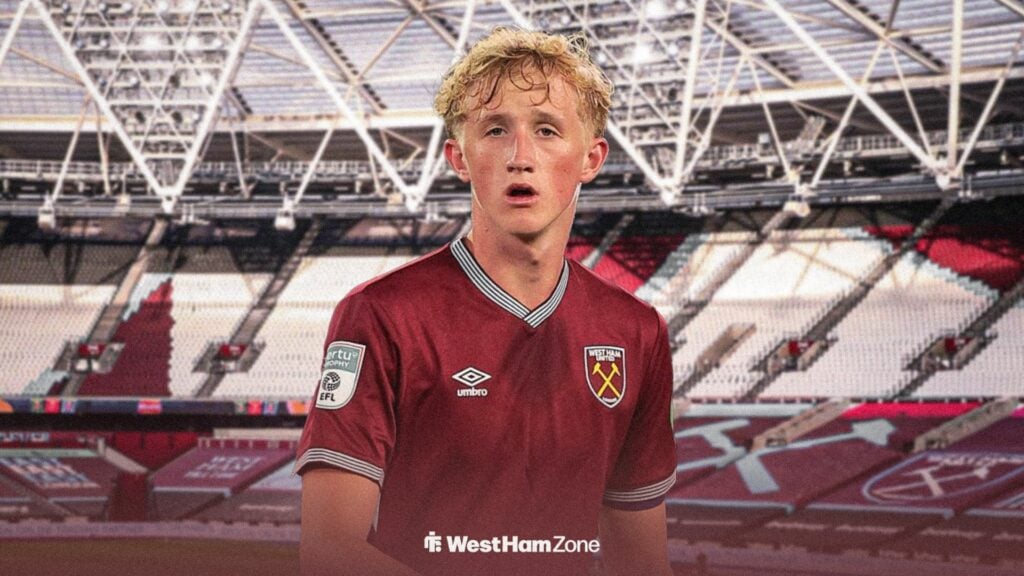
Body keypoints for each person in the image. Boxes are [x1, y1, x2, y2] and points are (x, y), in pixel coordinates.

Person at [296, 27, 676, 576]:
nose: (521, 157)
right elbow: (329, 551)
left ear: (591, 158)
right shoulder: (381, 314)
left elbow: (639, 561)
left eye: (547, 130)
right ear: (459, 157)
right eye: (495, 130)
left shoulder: (635, 330)